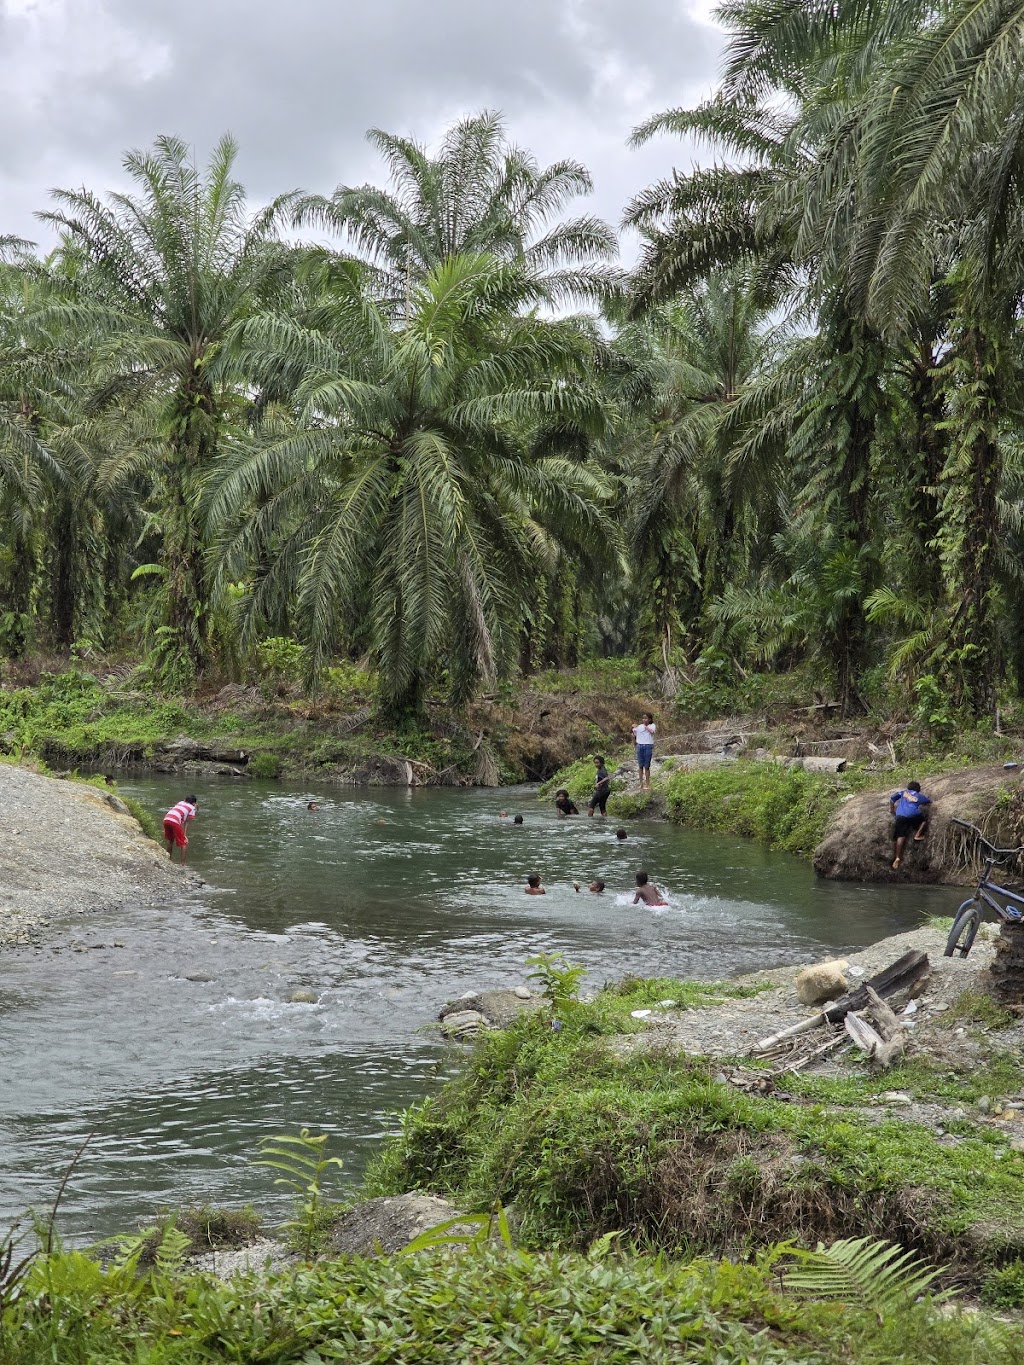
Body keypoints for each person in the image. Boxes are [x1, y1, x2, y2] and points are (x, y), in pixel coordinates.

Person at [889, 781, 932, 869]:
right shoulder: (919, 796)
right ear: (918, 789)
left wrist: (892, 810)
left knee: (900, 836)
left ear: (908, 787)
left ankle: (897, 857)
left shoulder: (903, 792)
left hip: (900, 815)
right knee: (923, 821)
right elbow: (928, 801)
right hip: (913, 814)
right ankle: (917, 835)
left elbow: (892, 798)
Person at [163, 795, 198, 864]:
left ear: (185, 800)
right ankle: (183, 864)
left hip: (166, 819)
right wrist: (184, 835)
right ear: (193, 803)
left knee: (171, 840)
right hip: (175, 822)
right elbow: (186, 822)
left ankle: (168, 860)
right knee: (184, 843)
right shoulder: (192, 807)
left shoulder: (180, 802)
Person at [632, 713, 657, 789]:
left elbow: (652, 732)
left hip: (648, 746)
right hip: (640, 746)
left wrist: (646, 726)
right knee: (640, 766)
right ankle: (641, 784)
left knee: (647, 766)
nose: (644, 720)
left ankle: (647, 784)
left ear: (649, 719)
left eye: (646, 718)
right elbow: (633, 733)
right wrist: (633, 727)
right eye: (643, 718)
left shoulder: (652, 726)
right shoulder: (639, 726)